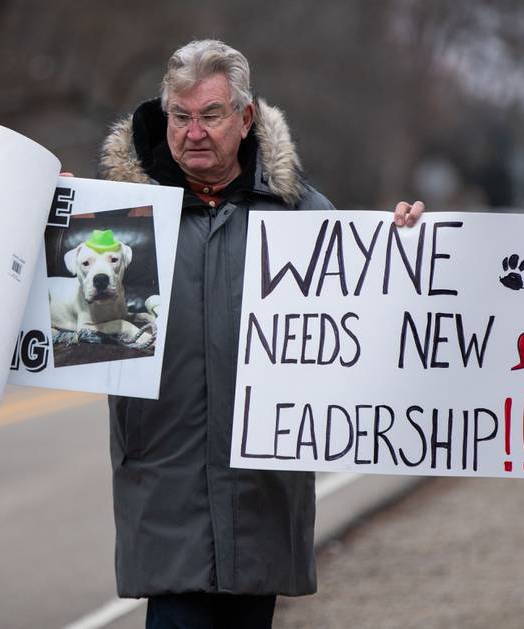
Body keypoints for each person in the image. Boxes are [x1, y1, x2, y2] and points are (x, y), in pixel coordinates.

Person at [96, 39, 424, 628]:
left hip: (262, 494)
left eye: (211, 115)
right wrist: (53, 220)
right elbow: (73, 327)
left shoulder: (302, 218)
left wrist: (406, 248)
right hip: (166, 489)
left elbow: (368, 331)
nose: (194, 132)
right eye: (181, 116)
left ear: (245, 119)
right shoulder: (123, 217)